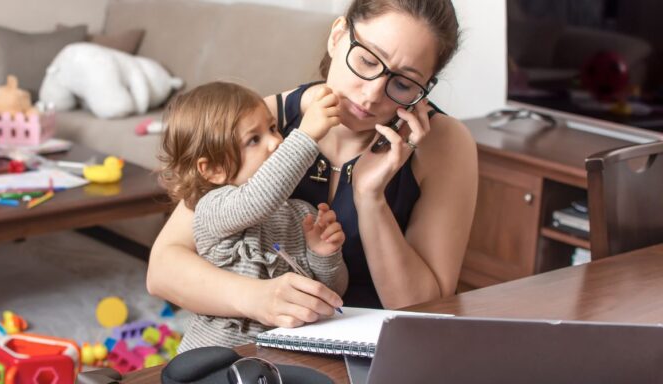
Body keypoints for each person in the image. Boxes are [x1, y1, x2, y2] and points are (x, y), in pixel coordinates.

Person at [147, 0, 478, 328]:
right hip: (266, 342)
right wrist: (257, 298)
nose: (371, 95)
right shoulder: (264, 125)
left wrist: (370, 198)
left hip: (379, 350)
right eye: (366, 60)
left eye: (404, 84)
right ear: (337, 36)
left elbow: (423, 312)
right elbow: (163, 268)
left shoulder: (444, 144)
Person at [158, 82, 349, 351]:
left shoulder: (301, 214)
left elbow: (331, 293)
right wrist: (306, 135)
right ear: (213, 169)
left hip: (279, 355)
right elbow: (257, 199)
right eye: (253, 140)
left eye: (272, 128)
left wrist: (325, 254)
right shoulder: (211, 208)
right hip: (214, 357)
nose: (276, 142)